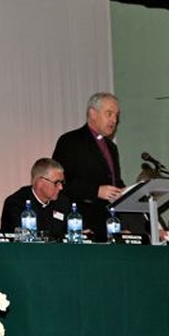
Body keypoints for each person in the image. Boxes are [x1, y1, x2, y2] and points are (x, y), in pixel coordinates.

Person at [52, 92, 125, 241]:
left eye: (116, 115)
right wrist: (96, 191)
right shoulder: (70, 141)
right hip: (82, 222)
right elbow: (60, 184)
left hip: (110, 222)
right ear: (92, 113)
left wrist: (125, 191)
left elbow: (113, 181)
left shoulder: (111, 147)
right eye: (109, 114)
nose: (114, 120)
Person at [1, 158, 72, 241]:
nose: (61, 187)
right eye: (56, 183)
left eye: (62, 182)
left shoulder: (63, 203)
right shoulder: (16, 203)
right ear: (40, 182)